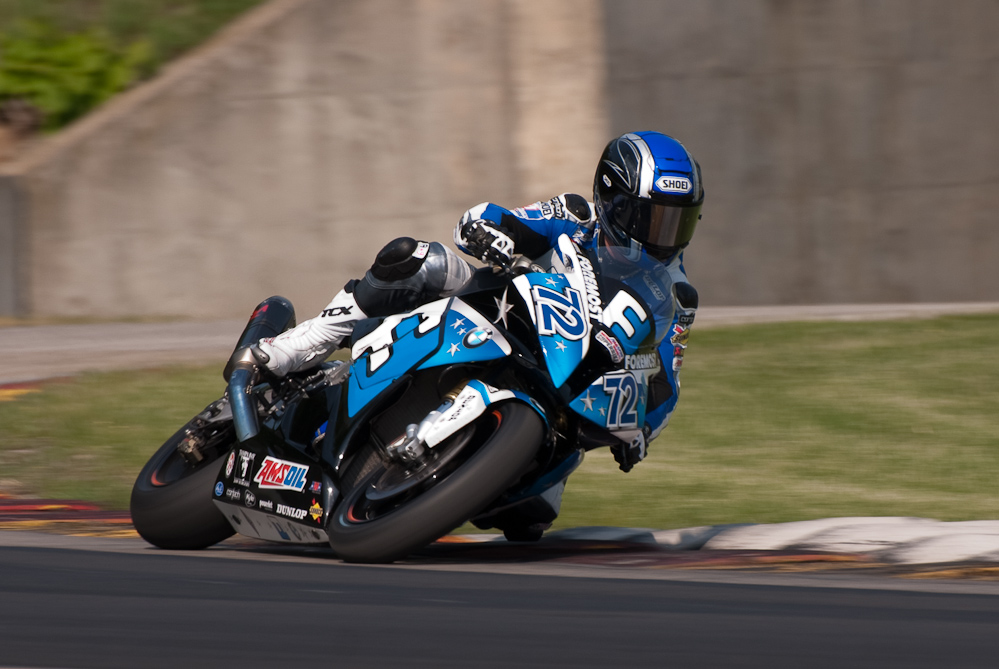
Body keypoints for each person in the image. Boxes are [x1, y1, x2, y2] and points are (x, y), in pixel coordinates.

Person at [252, 131, 703, 472]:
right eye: (652, 218)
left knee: (531, 517)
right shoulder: (575, 215)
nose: (662, 237)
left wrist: (641, 429)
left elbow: (667, 383)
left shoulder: (675, 295)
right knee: (414, 259)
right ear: (614, 202)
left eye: (677, 223)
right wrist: (491, 232)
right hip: (498, 314)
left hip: (569, 390)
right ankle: (298, 345)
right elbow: (497, 217)